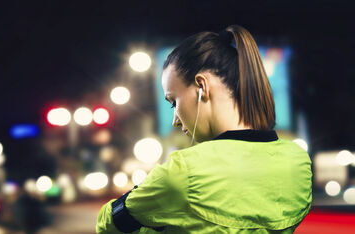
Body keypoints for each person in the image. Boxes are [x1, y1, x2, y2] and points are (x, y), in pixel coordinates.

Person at [96, 25, 312, 233]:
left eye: (173, 102)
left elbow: (108, 224)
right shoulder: (298, 162)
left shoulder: (183, 171)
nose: (175, 120)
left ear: (202, 86)